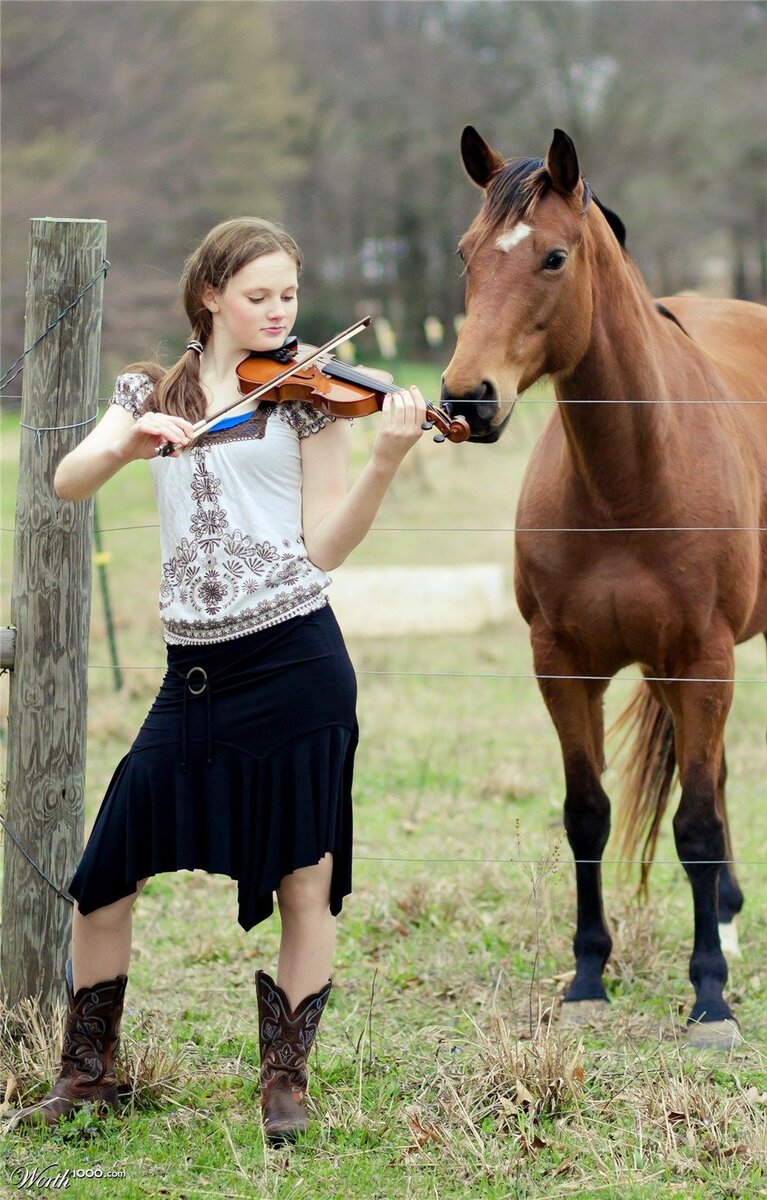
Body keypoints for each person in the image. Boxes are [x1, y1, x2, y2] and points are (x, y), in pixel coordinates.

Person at [8, 217, 427, 1141]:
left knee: (303, 884)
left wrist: (388, 460)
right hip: (190, 676)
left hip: (295, 662)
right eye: (259, 295)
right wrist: (128, 442)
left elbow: (323, 547)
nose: (280, 313)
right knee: (103, 878)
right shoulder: (148, 389)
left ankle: (286, 1083)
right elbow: (68, 479)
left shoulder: (309, 402)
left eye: (289, 294)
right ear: (210, 295)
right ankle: (88, 1074)